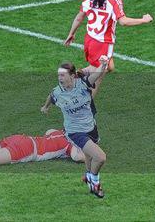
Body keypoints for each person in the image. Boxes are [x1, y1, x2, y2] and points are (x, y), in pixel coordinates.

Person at [64, 0, 153, 97]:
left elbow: (79, 17)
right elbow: (123, 21)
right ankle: (87, 105)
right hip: (102, 43)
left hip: (89, 40)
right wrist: (143, 20)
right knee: (101, 72)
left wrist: (71, 33)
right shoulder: (113, 0)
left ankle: (78, 76)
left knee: (110, 67)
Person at [40, 58, 108, 198]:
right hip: (75, 131)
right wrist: (45, 107)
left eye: (63, 75)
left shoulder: (83, 84)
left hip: (90, 126)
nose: (60, 78)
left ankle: (88, 176)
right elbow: (51, 97)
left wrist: (104, 64)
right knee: (100, 157)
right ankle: (94, 182)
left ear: (72, 76)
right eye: (59, 75)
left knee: (89, 155)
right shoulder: (58, 92)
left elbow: (97, 75)